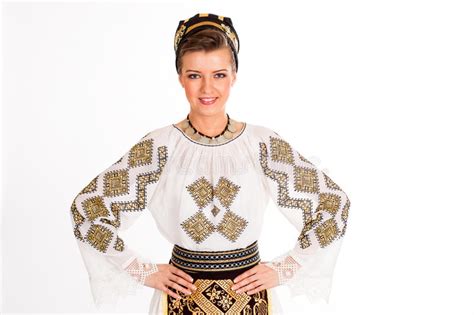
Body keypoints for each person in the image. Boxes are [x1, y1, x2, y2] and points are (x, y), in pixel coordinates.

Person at [69, 12, 351, 314]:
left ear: (233, 76)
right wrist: (144, 271)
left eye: (218, 75)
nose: (207, 89)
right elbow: (86, 212)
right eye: (194, 75)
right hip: (181, 299)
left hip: (252, 300)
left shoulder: (262, 145)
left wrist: (284, 268)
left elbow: (334, 205)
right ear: (180, 77)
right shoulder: (159, 147)